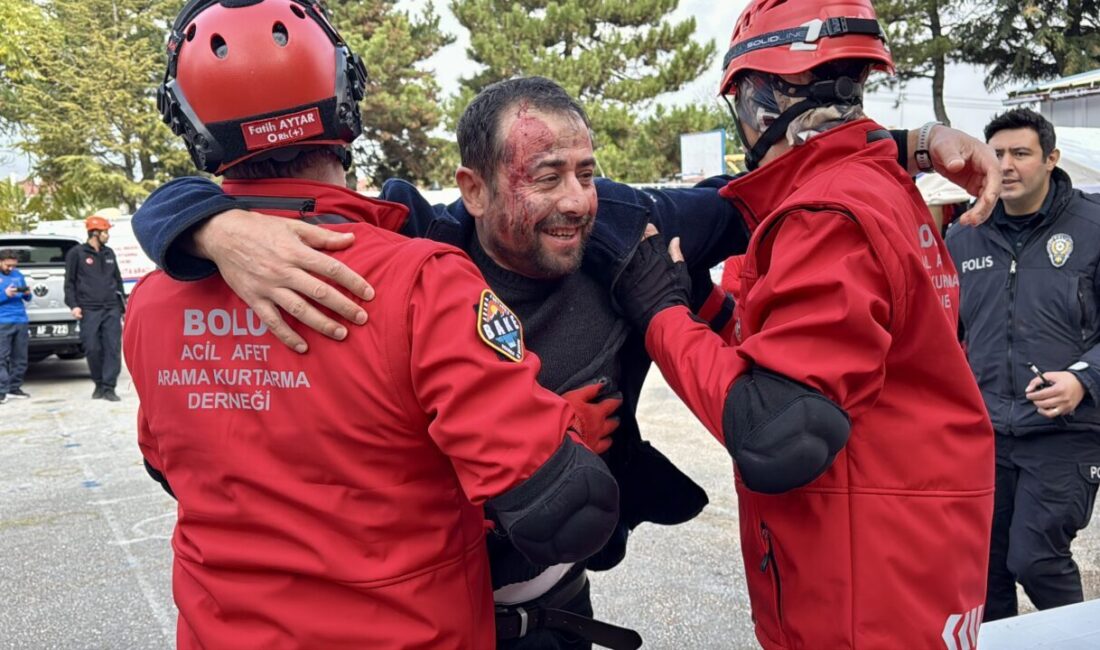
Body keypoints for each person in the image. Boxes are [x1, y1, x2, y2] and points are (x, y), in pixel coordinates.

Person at [131, 89, 996, 649]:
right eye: (546, 175)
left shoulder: (621, 234)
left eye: (588, 171)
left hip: (564, 598)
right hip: (457, 602)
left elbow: (763, 186)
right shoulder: (422, 246)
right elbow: (230, 196)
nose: (577, 197)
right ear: (471, 191)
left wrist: (914, 142)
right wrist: (205, 227)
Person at [132, 1, 621, 648]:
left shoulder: (152, 300)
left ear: (191, 123)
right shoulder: (420, 282)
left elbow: (167, 468)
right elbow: (567, 515)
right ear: (344, 94)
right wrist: (565, 435)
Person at [609, 0, 996, 647]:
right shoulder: (879, 187)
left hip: (864, 595)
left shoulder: (827, 212)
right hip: (908, 561)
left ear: (763, 96)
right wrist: (704, 308)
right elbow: (823, 361)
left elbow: (780, 433)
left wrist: (661, 316)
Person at [945, 107, 1100, 622]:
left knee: (1035, 558)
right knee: (981, 570)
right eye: (997, 154)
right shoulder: (963, 234)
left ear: (1052, 159)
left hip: (1066, 432)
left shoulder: (1093, 228)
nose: (1005, 165)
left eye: (1021, 153)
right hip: (984, 434)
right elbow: (945, 337)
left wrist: (1084, 379)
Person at [64, 215, 124, 401]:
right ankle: (98, 383)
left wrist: (123, 306)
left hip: (111, 308)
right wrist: (73, 305)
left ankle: (109, 387)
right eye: (105, 232)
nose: (107, 235)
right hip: (89, 309)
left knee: (112, 348)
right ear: (95, 233)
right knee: (92, 348)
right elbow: (70, 283)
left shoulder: (109, 253)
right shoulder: (77, 253)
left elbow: (118, 280)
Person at [0, 249, 32, 403]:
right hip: (2, 321)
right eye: (8, 265)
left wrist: (27, 293)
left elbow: (28, 297)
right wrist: (5, 294)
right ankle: (1, 390)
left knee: (20, 357)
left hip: (20, 319)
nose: (11, 268)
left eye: (13, 265)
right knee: (1, 357)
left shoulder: (18, 275)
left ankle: (14, 387)